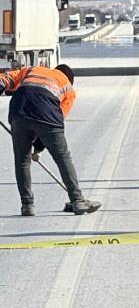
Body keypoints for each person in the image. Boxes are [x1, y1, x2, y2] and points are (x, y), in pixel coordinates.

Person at [1, 63, 101, 216]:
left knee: (22, 160)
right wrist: (40, 145)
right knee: (62, 157)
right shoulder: (68, 87)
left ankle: (27, 205)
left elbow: (5, 78)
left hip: (19, 112)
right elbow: (59, 116)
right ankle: (77, 200)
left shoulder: (32, 69)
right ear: (70, 78)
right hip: (48, 116)